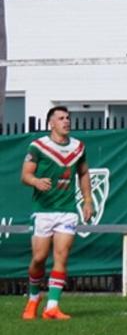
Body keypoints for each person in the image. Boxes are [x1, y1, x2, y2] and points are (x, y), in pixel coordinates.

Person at [20, 105, 93, 320]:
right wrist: (36, 181)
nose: (66, 121)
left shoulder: (78, 147)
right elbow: (25, 175)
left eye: (68, 118)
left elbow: (84, 172)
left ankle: (52, 306)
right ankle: (34, 298)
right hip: (43, 210)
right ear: (51, 123)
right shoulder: (38, 146)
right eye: (61, 118)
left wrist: (88, 200)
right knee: (39, 258)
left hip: (67, 210)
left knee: (61, 256)